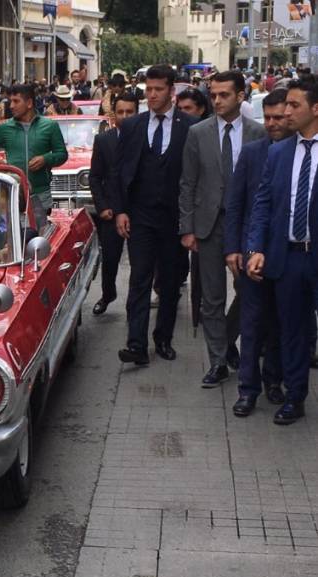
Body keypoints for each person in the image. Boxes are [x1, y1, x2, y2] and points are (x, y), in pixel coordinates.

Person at [179, 70, 266, 387]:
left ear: (241, 96)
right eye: (213, 95)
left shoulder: (259, 133)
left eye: (224, 95)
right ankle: (217, 361)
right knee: (210, 299)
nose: (216, 100)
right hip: (209, 225)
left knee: (249, 290)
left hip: (246, 225)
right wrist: (186, 227)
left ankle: (229, 339)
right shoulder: (198, 133)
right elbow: (187, 183)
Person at [114, 64, 198, 365]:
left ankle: (163, 338)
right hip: (141, 216)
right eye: (147, 90)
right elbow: (120, 172)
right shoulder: (132, 126)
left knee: (171, 282)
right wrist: (121, 210)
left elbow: (195, 175)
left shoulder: (189, 126)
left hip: (174, 219)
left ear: (171, 91)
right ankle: (136, 344)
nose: (151, 95)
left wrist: (190, 222)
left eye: (157, 89)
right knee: (139, 279)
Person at [246, 78, 318, 425]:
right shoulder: (278, 152)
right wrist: (256, 247)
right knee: (292, 330)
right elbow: (262, 205)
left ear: (315, 109)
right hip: (288, 256)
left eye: (294, 105)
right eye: (285, 105)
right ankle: (295, 396)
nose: (286, 112)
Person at [224, 88, 289, 417]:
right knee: (250, 324)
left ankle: (274, 382)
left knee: (279, 324)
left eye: (280, 118)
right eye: (269, 118)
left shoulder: (300, 153)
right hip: (251, 254)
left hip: (287, 257)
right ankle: (247, 390)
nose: (273, 124)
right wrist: (233, 249)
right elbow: (235, 205)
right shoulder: (251, 153)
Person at [0, 83, 68, 232]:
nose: (11, 106)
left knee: (40, 238)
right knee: (15, 237)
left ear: (29, 103)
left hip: (41, 193)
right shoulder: (5, 128)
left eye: (16, 101)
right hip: (14, 193)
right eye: (10, 101)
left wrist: (45, 159)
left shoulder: (49, 126)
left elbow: (62, 154)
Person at [89, 92, 138, 316]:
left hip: (139, 212)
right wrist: (102, 206)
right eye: (121, 112)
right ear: (113, 115)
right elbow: (95, 177)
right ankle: (108, 294)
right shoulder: (103, 140)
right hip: (110, 211)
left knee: (141, 263)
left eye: (130, 112)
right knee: (110, 259)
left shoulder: (146, 139)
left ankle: (136, 304)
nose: (125, 116)